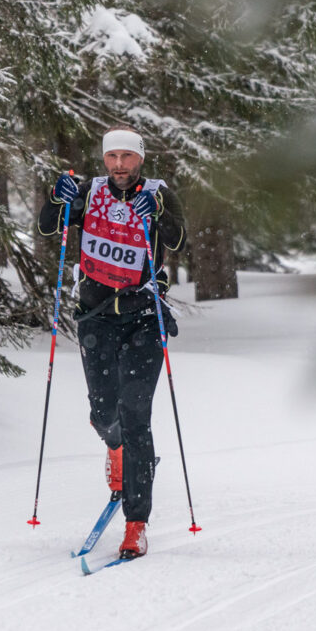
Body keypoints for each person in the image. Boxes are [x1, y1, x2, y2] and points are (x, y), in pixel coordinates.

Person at [39, 126, 186, 560]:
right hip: (96, 319)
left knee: (136, 414)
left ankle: (136, 524)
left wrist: (158, 211)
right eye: (112, 157)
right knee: (105, 413)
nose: (119, 165)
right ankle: (116, 448)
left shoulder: (159, 192)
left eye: (127, 156)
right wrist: (57, 198)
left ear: (140, 158)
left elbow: (178, 241)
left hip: (144, 317)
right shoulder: (91, 191)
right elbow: (50, 228)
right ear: (104, 160)